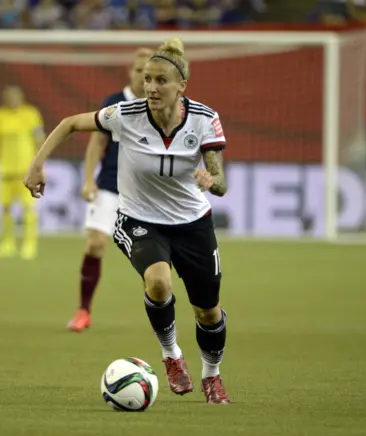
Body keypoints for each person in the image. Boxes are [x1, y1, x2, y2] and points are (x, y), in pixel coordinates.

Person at [24, 38, 231, 404]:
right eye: (147, 79)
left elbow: (221, 182)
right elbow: (71, 123)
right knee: (157, 280)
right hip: (139, 218)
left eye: (161, 80)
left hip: (192, 223)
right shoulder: (125, 113)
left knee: (208, 311)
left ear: (181, 84)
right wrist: (37, 164)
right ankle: (171, 356)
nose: (151, 87)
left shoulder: (204, 119)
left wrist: (210, 180)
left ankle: (212, 376)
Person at [67, 47, 152, 333]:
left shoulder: (160, 104)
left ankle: (159, 316)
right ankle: (83, 310)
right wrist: (88, 179)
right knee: (95, 244)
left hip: (145, 192)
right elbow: (97, 143)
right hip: (110, 184)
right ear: (130, 71)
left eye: (149, 72)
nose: (143, 76)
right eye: (139, 70)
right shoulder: (115, 103)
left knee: (152, 259)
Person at [0, 85, 46, 260]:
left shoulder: (31, 114)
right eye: (9, 97)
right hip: (5, 171)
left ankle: (29, 245)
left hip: (26, 172)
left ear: (21, 97)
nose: (12, 100)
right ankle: (7, 243)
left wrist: (39, 164)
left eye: (15, 96)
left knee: (29, 208)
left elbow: (40, 140)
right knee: (5, 208)